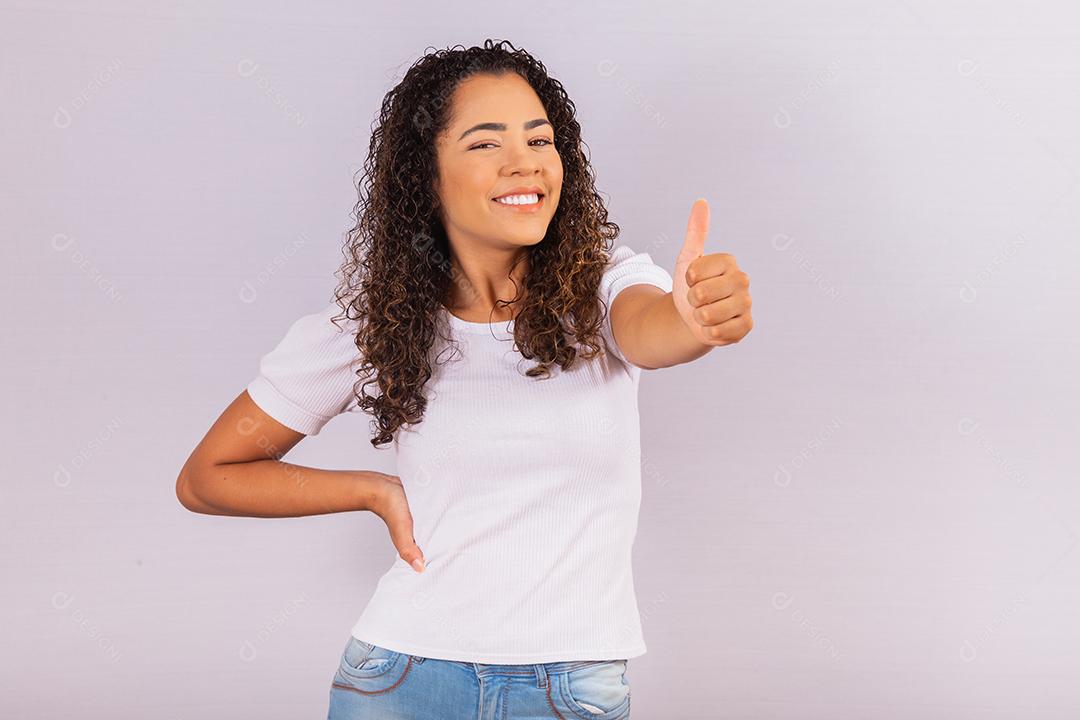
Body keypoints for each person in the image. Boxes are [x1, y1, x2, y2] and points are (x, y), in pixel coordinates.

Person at [176, 39, 752, 720]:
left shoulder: (605, 289)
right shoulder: (376, 323)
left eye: (541, 139)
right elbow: (209, 476)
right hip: (398, 681)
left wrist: (694, 318)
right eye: (485, 144)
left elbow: (654, 333)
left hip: (569, 689)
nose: (525, 163)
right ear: (427, 175)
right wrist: (371, 490)